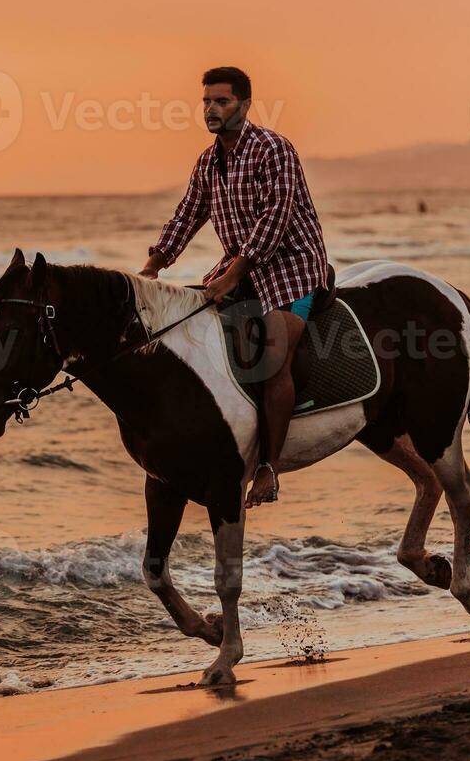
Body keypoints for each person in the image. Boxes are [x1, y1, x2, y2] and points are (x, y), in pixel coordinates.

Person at [140, 66, 329, 508]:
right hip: (239, 266)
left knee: (273, 355)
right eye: (206, 101)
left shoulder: (273, 150)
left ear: (244, 105)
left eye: (221, 101)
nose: (211, 109)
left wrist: (232, 274)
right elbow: (187, 216)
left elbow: (275, 220)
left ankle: (268, 468)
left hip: (291, 265)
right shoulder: (208, 162)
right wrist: (153, 265)